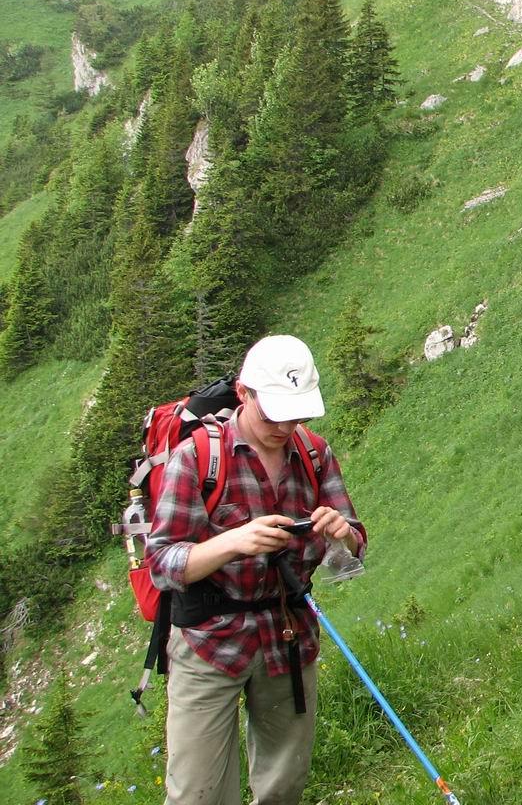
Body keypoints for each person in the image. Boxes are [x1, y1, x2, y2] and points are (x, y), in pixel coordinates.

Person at [148, 335, 366, 805]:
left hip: (289, 637)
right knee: (197, 795)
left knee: (284, 785)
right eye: (274, 413)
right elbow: (162, 564)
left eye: (298, 414)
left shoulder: (313, 453)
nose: (287, 426)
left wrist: (340, 535)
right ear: (244, 394)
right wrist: (232, 543)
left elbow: (353, 549)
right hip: (209, 642)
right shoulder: (198, 458)